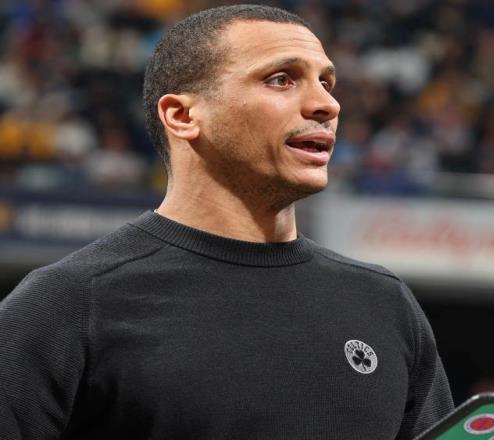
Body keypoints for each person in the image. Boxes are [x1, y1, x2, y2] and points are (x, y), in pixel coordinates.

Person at [0, 5, 454, 439]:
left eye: (326, 83)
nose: (327, 104)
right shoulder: (69, 305)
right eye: (281, 79)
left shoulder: (384, 304)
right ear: (182, 116)